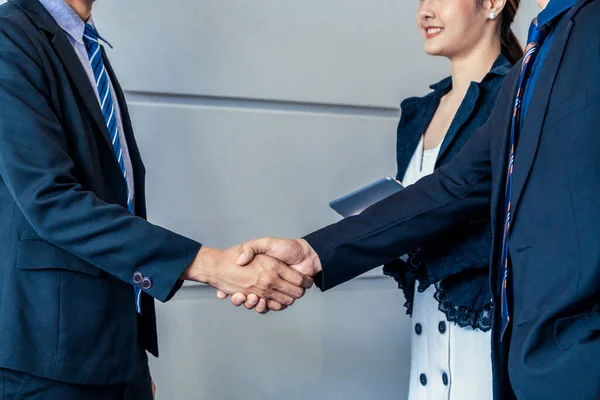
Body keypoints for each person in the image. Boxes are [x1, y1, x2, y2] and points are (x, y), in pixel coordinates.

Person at [225, 0, 600, 399]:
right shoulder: (535, 59)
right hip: (530, 365)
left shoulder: (585, 31)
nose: (425, 10)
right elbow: (455, 186)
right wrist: (313, 252)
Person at [0, 0, 312, 398]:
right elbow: (50, 200)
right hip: (48, 361)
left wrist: (129, 360)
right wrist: (211, 264)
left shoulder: (84, 42)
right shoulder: (10, 34)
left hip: (115, 353)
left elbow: (117, 195)